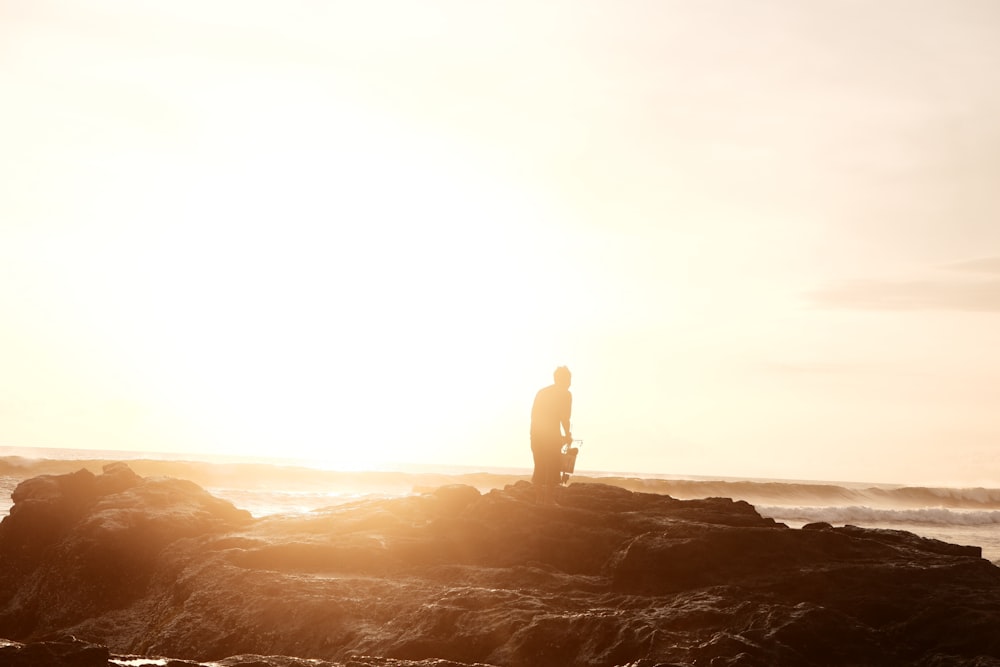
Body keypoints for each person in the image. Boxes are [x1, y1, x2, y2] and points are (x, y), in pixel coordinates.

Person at [530, 366, 572, 504]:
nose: (570, 382)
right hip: (551, 434)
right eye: (569, 379)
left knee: (540, 465)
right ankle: (548, 500)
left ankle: (538, 499)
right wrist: (568, 435)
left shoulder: (542, 392)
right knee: (553, 466)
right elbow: (564, 418)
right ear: (563, 379)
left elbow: (533, 415)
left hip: (535, 433)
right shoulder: (565, 394)